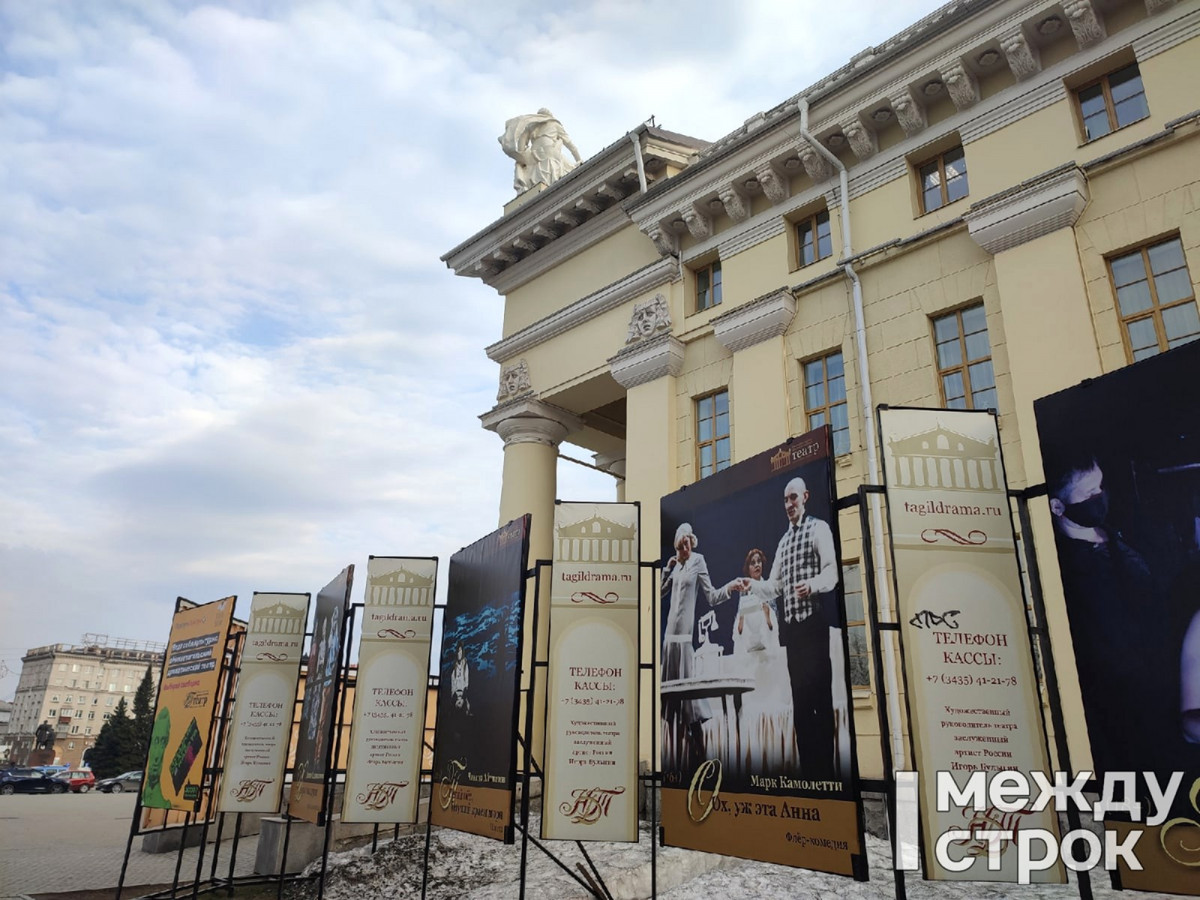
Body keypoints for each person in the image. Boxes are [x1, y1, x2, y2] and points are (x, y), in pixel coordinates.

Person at [1047, 455, 1164, 773]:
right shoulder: (1064, 567)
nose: (1099, 497)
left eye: (1100, 487)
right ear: (1058, 507)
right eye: (1088, 494)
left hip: (1154, 679)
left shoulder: (1122, 535)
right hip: (1114, 701)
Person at [755, 476, 840, 781]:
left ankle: (827, 775)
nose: (789, 504)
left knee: (819, 701)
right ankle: (810, 775)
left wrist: (813, 585)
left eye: (793, 498)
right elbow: (774, 585)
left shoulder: (818, 528)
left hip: (813, 626)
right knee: (802, 706)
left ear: (805, 496)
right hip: (794, 634)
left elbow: (832, 570)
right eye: (785, 500)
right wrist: (750, 586)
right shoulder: (783, 541)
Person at [660, 523, 737, 769]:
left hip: (684, 641)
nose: (687, 547)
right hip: (668, 639)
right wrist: (667, 569)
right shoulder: (677, 566)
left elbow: (712, 596)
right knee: (669, 704)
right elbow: (659, 593)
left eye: (689, 542)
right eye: (682, 544)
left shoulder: (698, 561)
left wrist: (731, 587)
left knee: (690, 706)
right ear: (677, 546)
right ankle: (678, 763)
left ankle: (702, 759)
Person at [731, 548, 779, 654]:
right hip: (749, 650)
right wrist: (741, 618)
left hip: (767, 648)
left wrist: (767, 614)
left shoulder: (768, 587)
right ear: (748, 568)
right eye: (753, 563)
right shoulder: (743, 592)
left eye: (759, 561)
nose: (757, 565)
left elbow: (775, 625)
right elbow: (739, 627)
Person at [450, 642, 471, 716]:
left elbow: (466, 678)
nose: (459, 653)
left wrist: (464, 692)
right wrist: (453, 693)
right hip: (456, 692)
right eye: (458, 651)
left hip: (462, 692)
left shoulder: (465, 664)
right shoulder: (454, 666)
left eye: (461, 651)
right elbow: (453, 680)